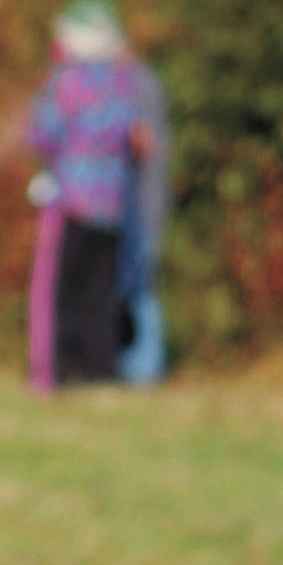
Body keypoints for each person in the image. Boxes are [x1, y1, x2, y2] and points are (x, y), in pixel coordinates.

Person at [25, 0, 149, 389]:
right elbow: (130, 136)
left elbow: (44, 133)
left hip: (72, 199)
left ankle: (61, 369)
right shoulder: (122, 82)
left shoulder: (66, 80)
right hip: (111, 201)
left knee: (63, 290)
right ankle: (101, 371)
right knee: (101, 291)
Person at [115, 54, 171, 386]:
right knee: (131, 288)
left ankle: (147, 367)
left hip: (143, 207)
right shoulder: (142, 80)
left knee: (142, 287)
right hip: (136, 205)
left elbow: (143, 142)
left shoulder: (139, 83)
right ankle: (134, 363)